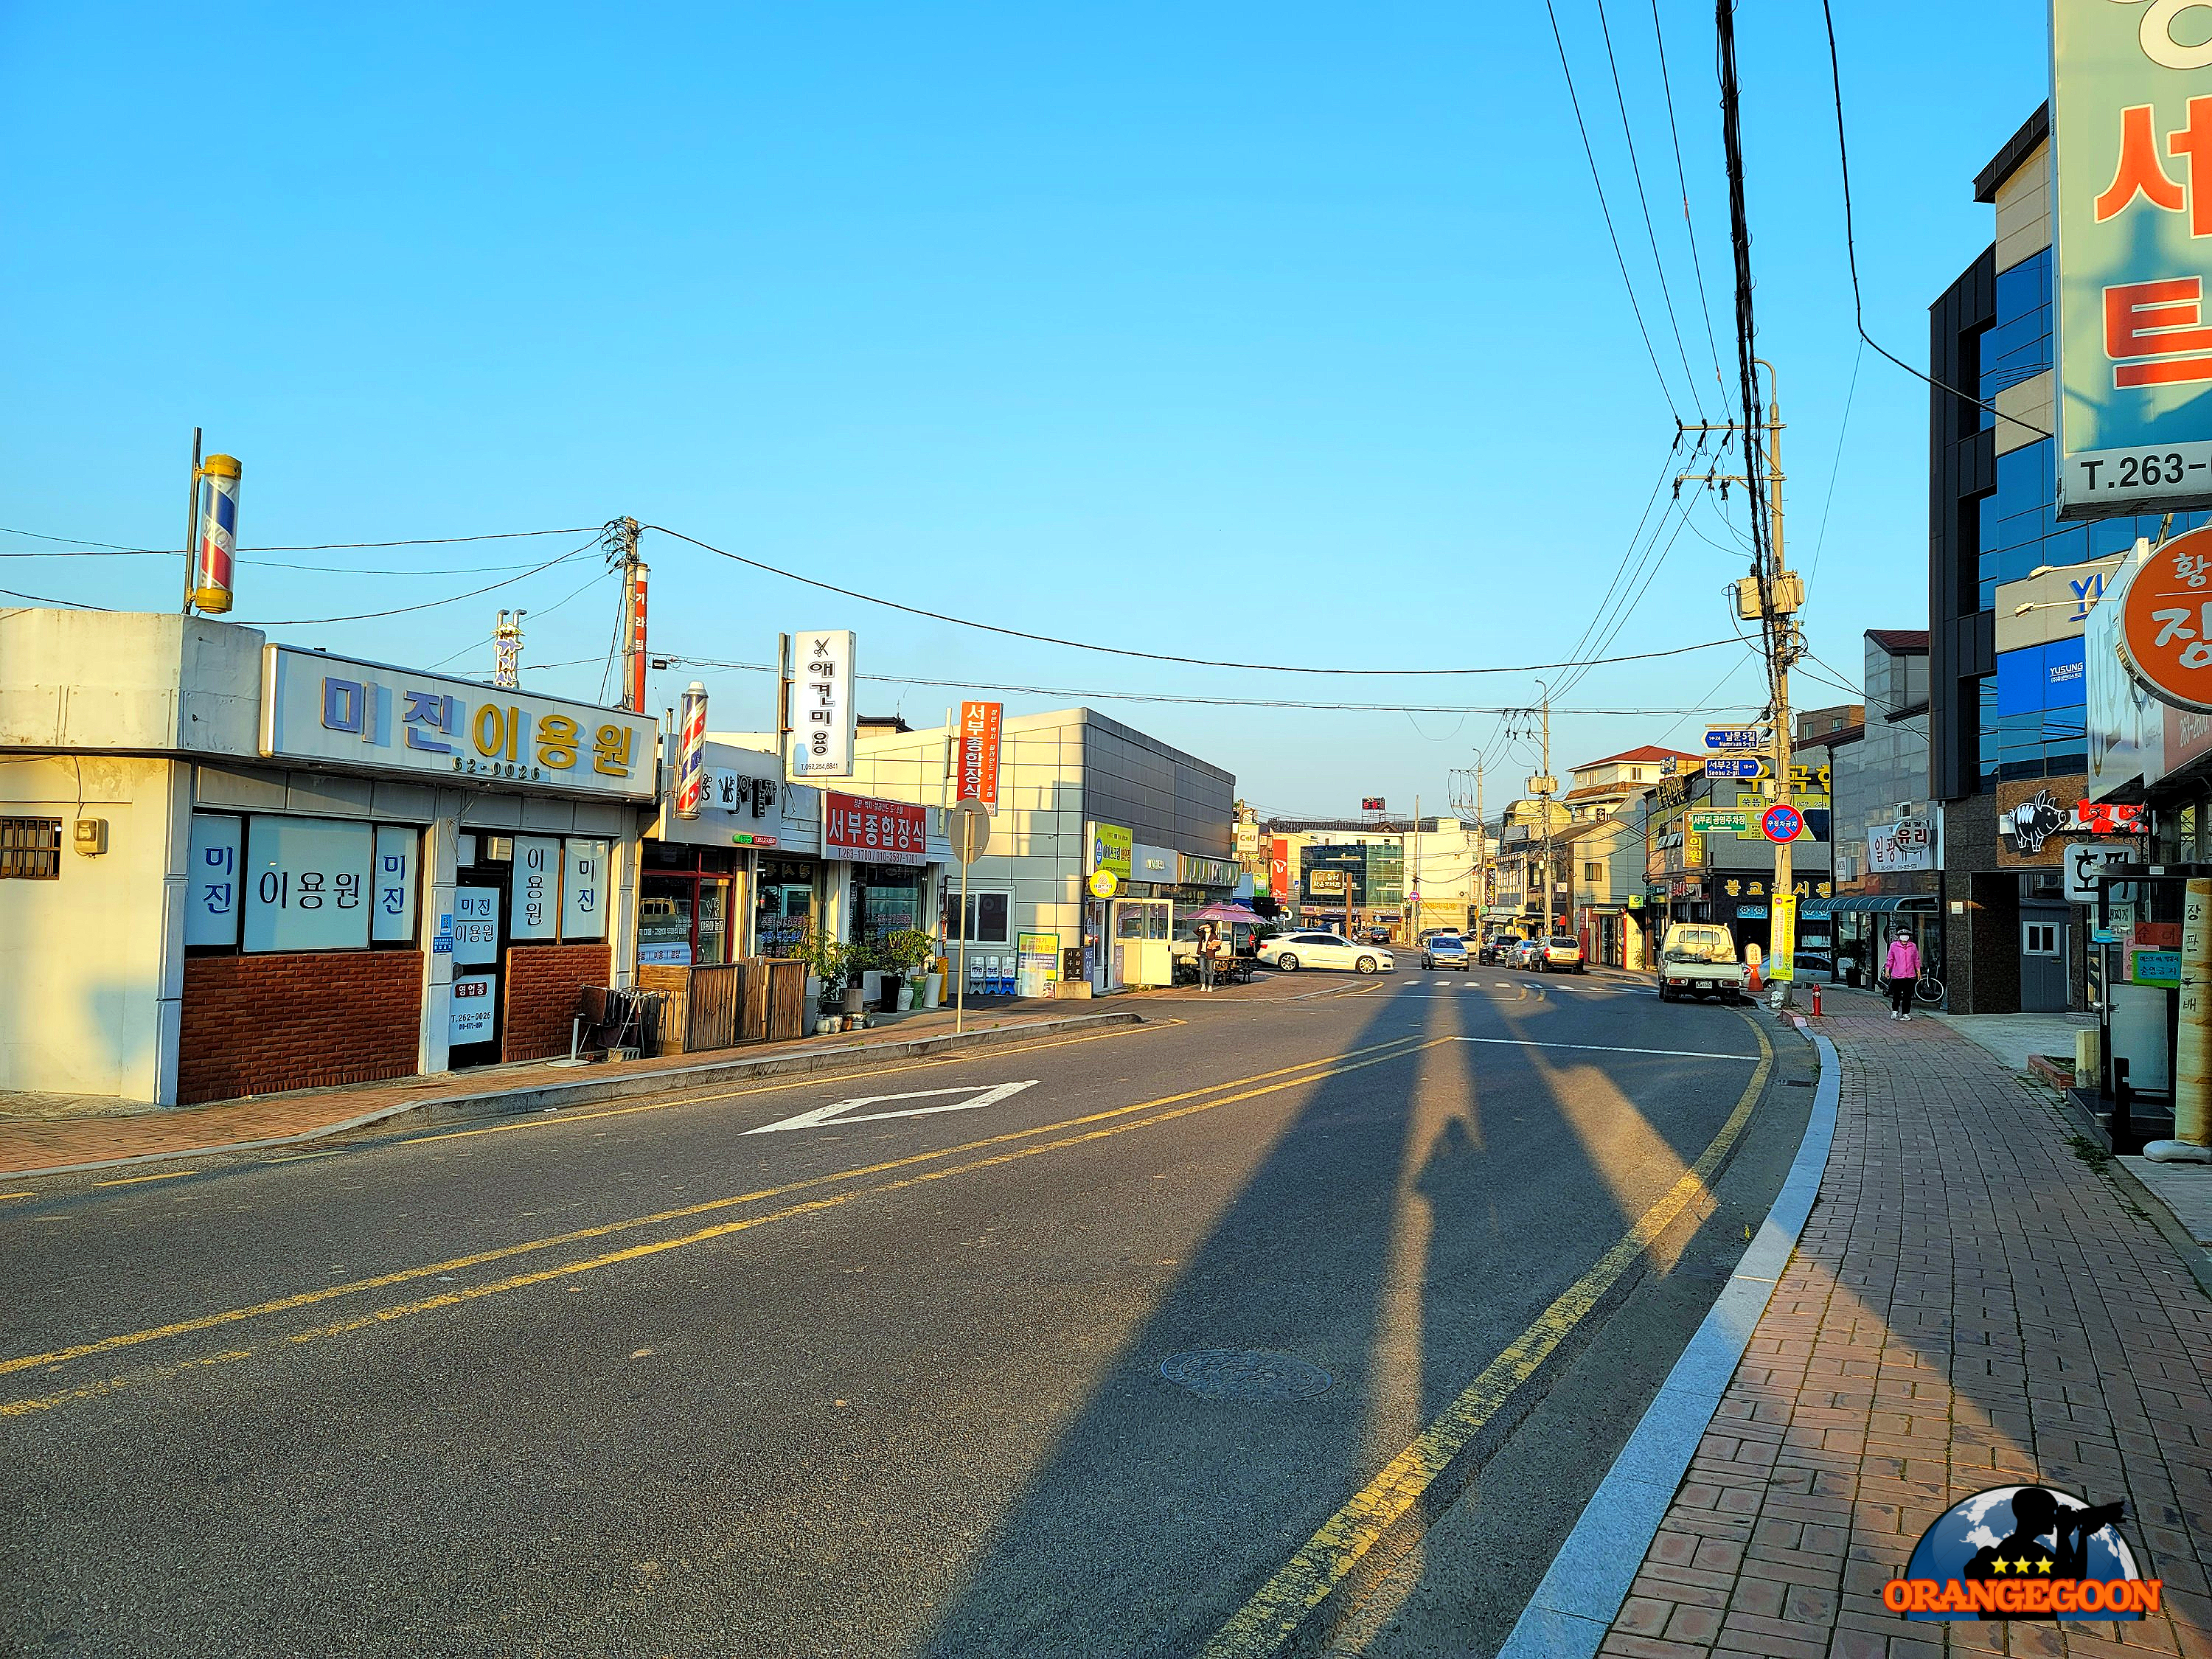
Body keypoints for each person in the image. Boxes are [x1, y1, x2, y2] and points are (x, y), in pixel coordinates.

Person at [1884, 928, 1922, 1020]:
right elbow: (1890, 959)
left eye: (1907, 935)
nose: (1905, 937)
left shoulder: (1913, 946)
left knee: (1907, 996)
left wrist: (1918, 971)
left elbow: (1916, 960)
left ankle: (1905, 1013)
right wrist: (1887, 970)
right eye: (1903, 935)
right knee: (1896, 995)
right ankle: (1895, 1010)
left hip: (1910, 975)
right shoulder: (1894, 946)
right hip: (1897, 975)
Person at [1197, 924, 1220, 993]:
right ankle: (1203, 985)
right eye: (1205, 928)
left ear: (1211, 928)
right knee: (1202, 970)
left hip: (1210, 955)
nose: (1207, 929)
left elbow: (1218, 946)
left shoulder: (1214, 936)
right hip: (1202, 954)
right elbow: (1195, 931)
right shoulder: (1202, 935)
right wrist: (1202, 926)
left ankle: (1210, 985)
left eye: (1208, 927)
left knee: (1210, 971)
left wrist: (1214, 947)